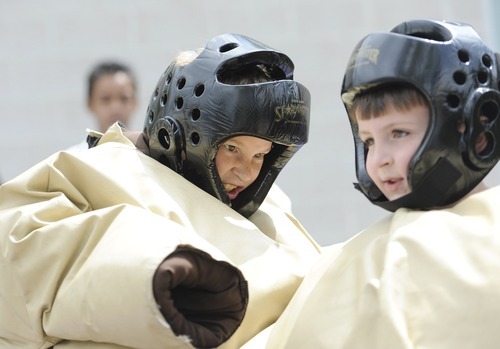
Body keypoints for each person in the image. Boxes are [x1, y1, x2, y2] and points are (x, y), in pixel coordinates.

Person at [0, 34, 320, 349]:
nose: (247, 170)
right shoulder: (102, 170)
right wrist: (153, 272)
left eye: (260, 155)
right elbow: (21, 254)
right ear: (182, 135)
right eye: (233, 148)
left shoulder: (269, 205)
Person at [263, 19, 500, 349]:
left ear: (475, 129)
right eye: (369, 141)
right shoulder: (356, 257)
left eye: (399, 133)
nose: (379, 160)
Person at [67, 60, 138, 150]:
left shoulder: (150, 159)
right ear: (90, 104)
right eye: (105, 99)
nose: (115, 108)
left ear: (135, 102)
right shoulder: (74, 160)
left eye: (124, 98)